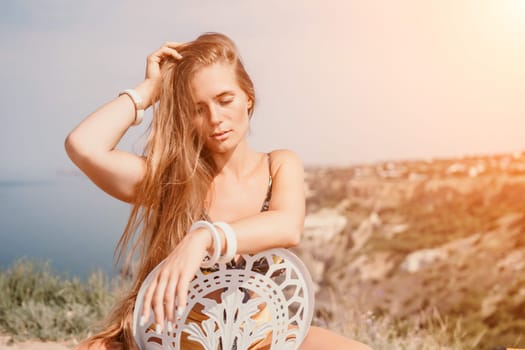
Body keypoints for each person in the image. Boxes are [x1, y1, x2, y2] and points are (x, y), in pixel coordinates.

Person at [65, 32, 371, 350]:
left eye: (225, 100)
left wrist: (204, 237)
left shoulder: (278, 165)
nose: (215, 119)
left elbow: (288, 226)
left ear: (247, 97)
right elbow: (82, 147)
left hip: (265, 337)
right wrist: (150, 91)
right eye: (198, 109)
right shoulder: (173, 181)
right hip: (180, 339)